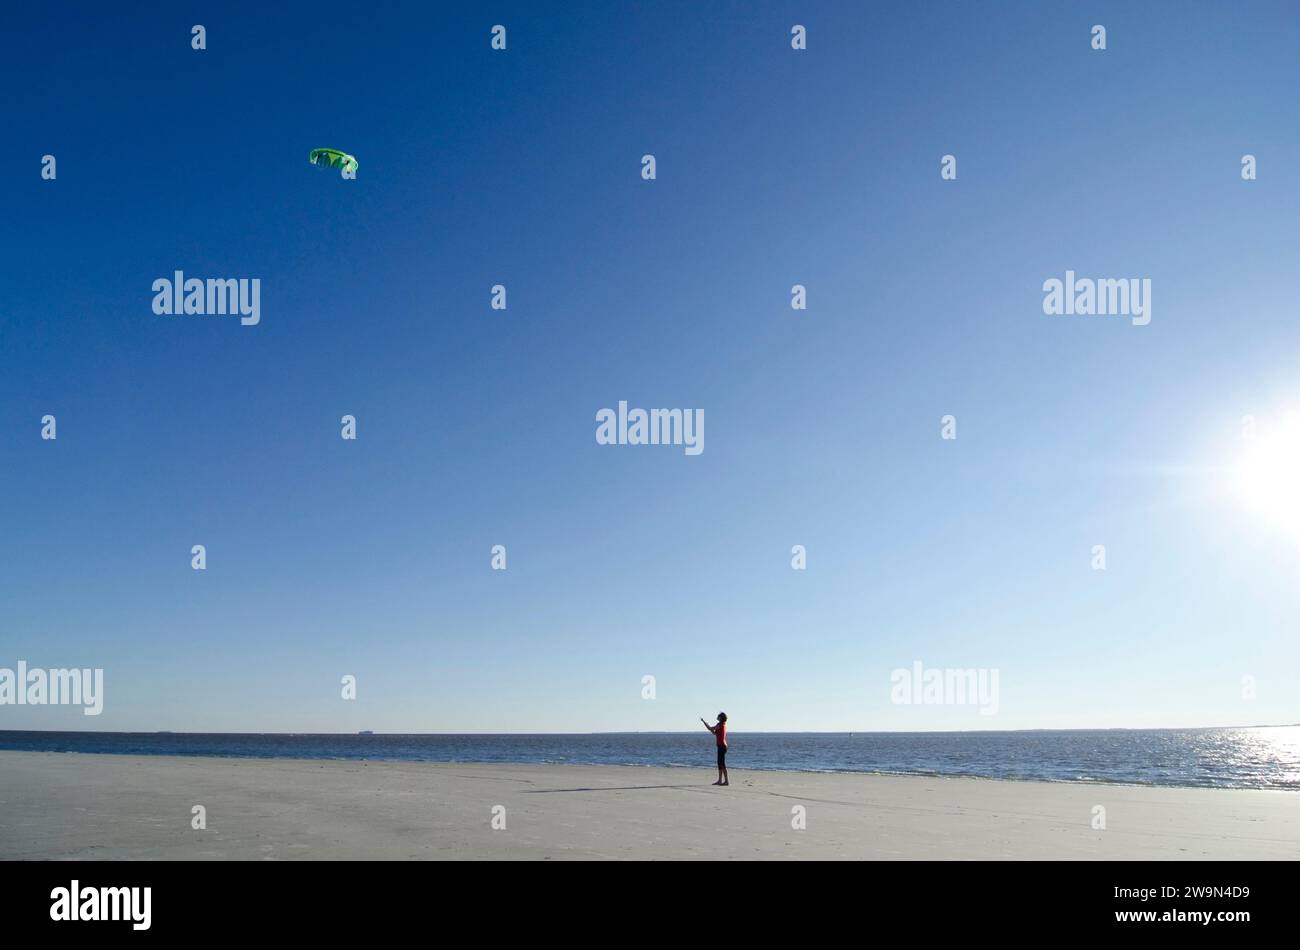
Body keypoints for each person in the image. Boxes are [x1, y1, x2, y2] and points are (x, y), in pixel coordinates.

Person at [700, 712, 729, 786]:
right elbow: (714, 732)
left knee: (722, 764)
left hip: (722, 746)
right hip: (721, 746)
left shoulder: (720, 725)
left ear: (721, 718)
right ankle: (720, 780)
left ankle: (726, 781)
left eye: (718, 716)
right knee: (720, 764)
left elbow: (711, 729)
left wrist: (704, 723)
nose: (717, 717)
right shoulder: (721, 725)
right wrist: (705, 723)